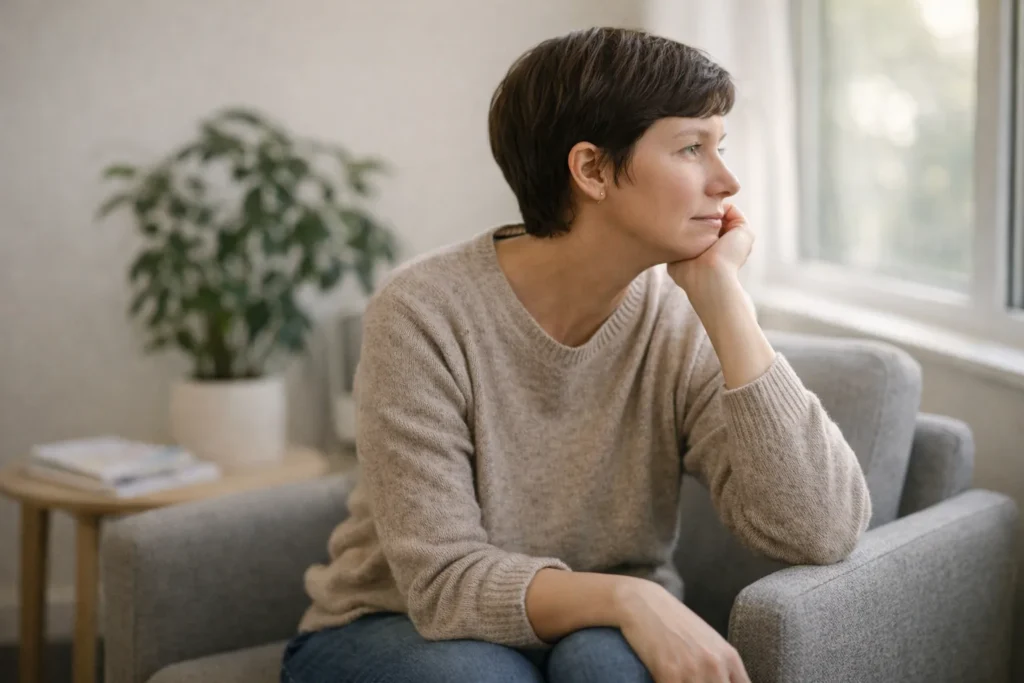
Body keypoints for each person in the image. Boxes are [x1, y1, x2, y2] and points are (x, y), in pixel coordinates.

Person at [280, 26, 871, 683]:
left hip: (598, 627)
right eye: (691, 149)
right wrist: (630, 595)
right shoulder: (422, 311)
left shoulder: (679, 316)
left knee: (612, 674)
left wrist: (724, 299)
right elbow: (442, 581)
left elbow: (821, 530)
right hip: (396, 622)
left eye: (720, 148)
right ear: (591, 169)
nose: (726, 181)